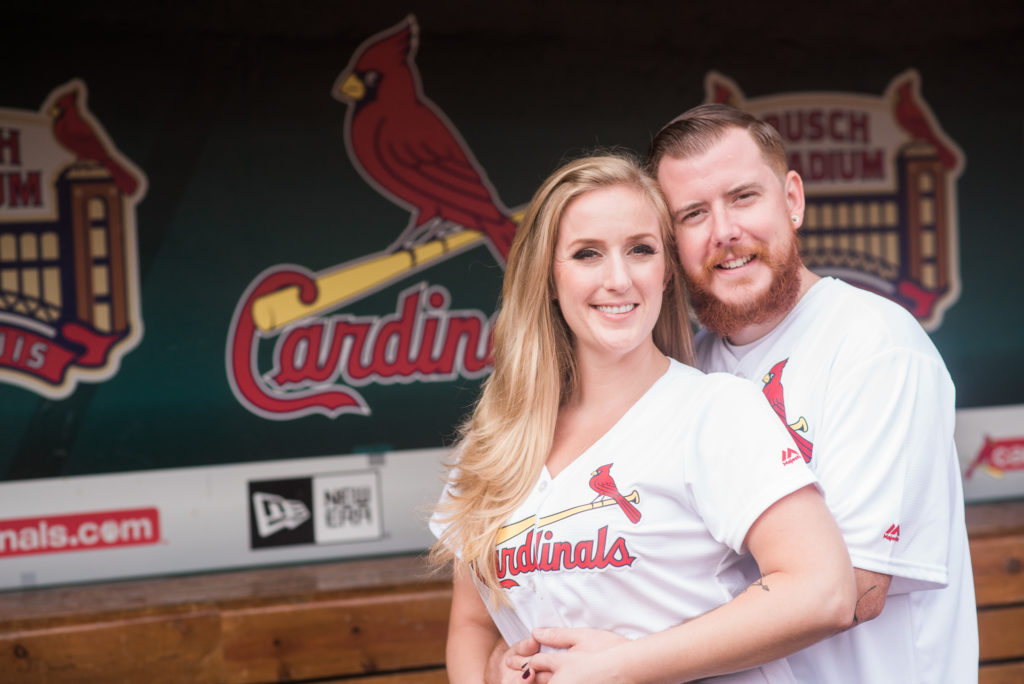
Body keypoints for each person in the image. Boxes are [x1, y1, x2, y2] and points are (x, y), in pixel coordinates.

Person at [508, 106, 979, 682]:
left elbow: (851, 591)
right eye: (693, 213)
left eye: (743, 198)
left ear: (793, 200)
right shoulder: (688, 368)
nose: (724, 231)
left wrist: (621, 659)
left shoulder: (875, 346)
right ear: (669, 244)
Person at [430, 152, 856, 684]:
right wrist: (495, 673)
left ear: (666, 274)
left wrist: (621, 667)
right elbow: (472, 627)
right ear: (547, 279)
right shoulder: (495, 441)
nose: (619, 279)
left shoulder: (716, 411)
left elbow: (823, 591)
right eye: (587, 254)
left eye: (640, 250)